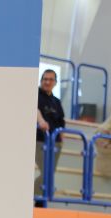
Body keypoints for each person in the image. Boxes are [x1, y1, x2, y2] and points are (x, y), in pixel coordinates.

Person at [35, 69, 65, 203]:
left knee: (49, 175)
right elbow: (35, 110)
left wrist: (61, 138)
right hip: (40, 141)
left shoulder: (56, 101)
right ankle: (31, 197)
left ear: (55, 82)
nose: (47, 82)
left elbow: (61, 121)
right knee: (46, 172)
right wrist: (41, 121)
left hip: (55, 143)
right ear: (41, 80)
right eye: (45, 79)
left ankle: (40, 203)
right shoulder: (35, 95)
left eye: (50, 79)